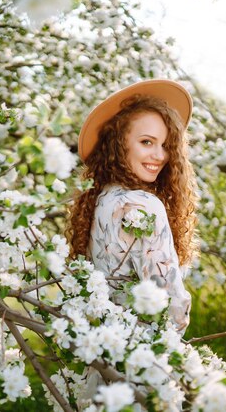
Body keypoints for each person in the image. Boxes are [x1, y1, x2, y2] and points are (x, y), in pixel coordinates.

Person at [67, 79, 198, 333]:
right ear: (119, 143)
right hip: (144, 356)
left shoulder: (99, 198)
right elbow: (171, 304)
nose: (160, 156)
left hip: (105, 351)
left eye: (165, 145)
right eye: (147, 142)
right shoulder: (143, 205)